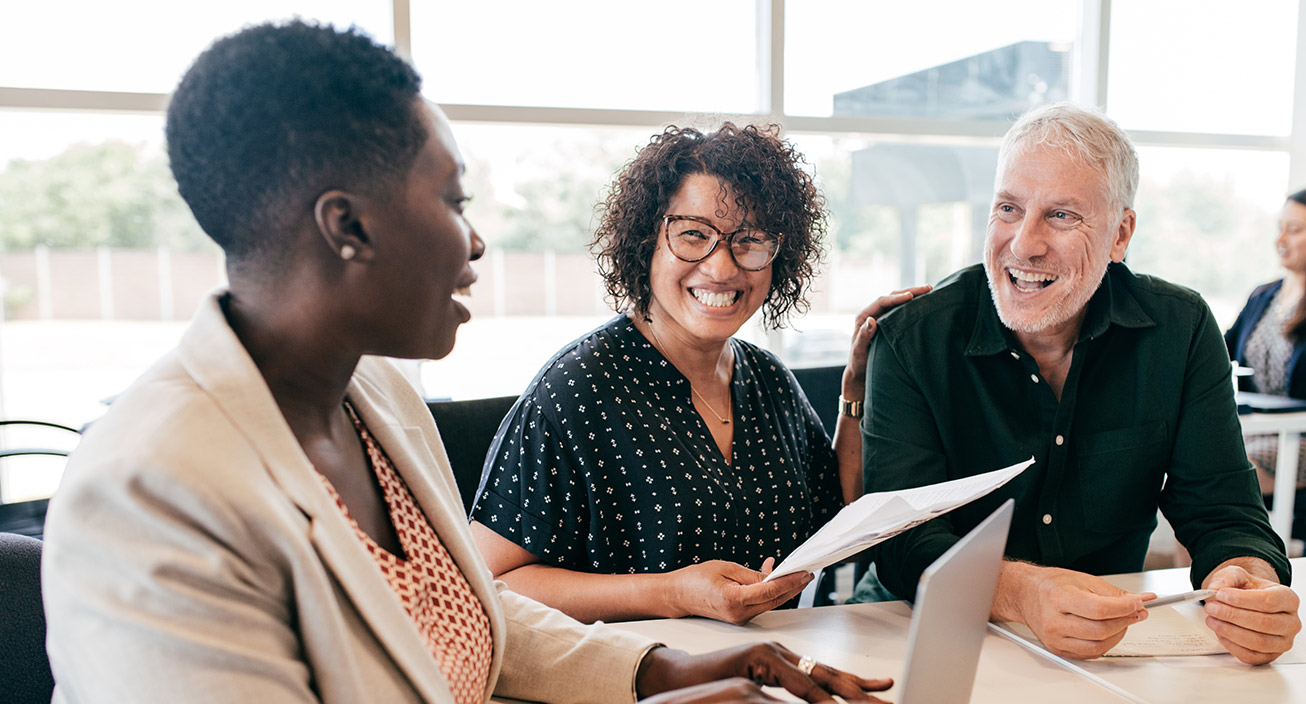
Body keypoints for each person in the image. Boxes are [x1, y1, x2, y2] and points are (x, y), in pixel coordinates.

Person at [40, 21, 896, 704]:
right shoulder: (149, 489)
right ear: (351, 227)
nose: (477, 240)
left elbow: (474, 617)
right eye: (453, 200)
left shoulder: (374, 399)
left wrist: (665, 671)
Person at [859, 102, 1301, 665]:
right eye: (1008, 208)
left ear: (1120, 235)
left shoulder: (1181, 329)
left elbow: (1224, 513)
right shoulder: (912, 340)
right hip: (920, 629)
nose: (1023, 243)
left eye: (1062, 215)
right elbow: (903, 540)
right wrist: (1023, 593)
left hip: (1107, 644)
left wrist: (1248, 583)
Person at [471, 123, 927, 625]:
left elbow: (838, 512)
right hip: (637, 680)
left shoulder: (767, 380)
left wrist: (856, 387)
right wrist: (670, 594)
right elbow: (493, 583)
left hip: (769, 668)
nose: (722, 267)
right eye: (694, 235)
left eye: (749, 241)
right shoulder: (575, 391)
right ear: (647, 241)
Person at [1225, 188, 1306, 541]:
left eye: (1295, 230)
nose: (1281, 239)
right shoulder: (1263, 295)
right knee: (1191, 470)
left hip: (1299, 436)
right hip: (1256, 428)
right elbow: (1219, 354)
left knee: (1219, 479)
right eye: (1280, 227)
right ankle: (1199, 586)